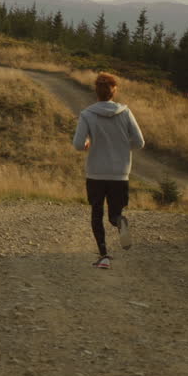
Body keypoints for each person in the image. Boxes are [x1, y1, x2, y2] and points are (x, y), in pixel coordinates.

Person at [72, 72, 145, 269]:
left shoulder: (87, 114)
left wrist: (88, 143)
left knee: (97, 213)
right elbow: (139, 142)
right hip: (120, 173)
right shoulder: (126, 112)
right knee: (114, 214)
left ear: (96, 91)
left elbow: (78, 144)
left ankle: (104, 256)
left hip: (96, 173)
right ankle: (120, 222)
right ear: (114, 91)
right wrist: (121, 147)